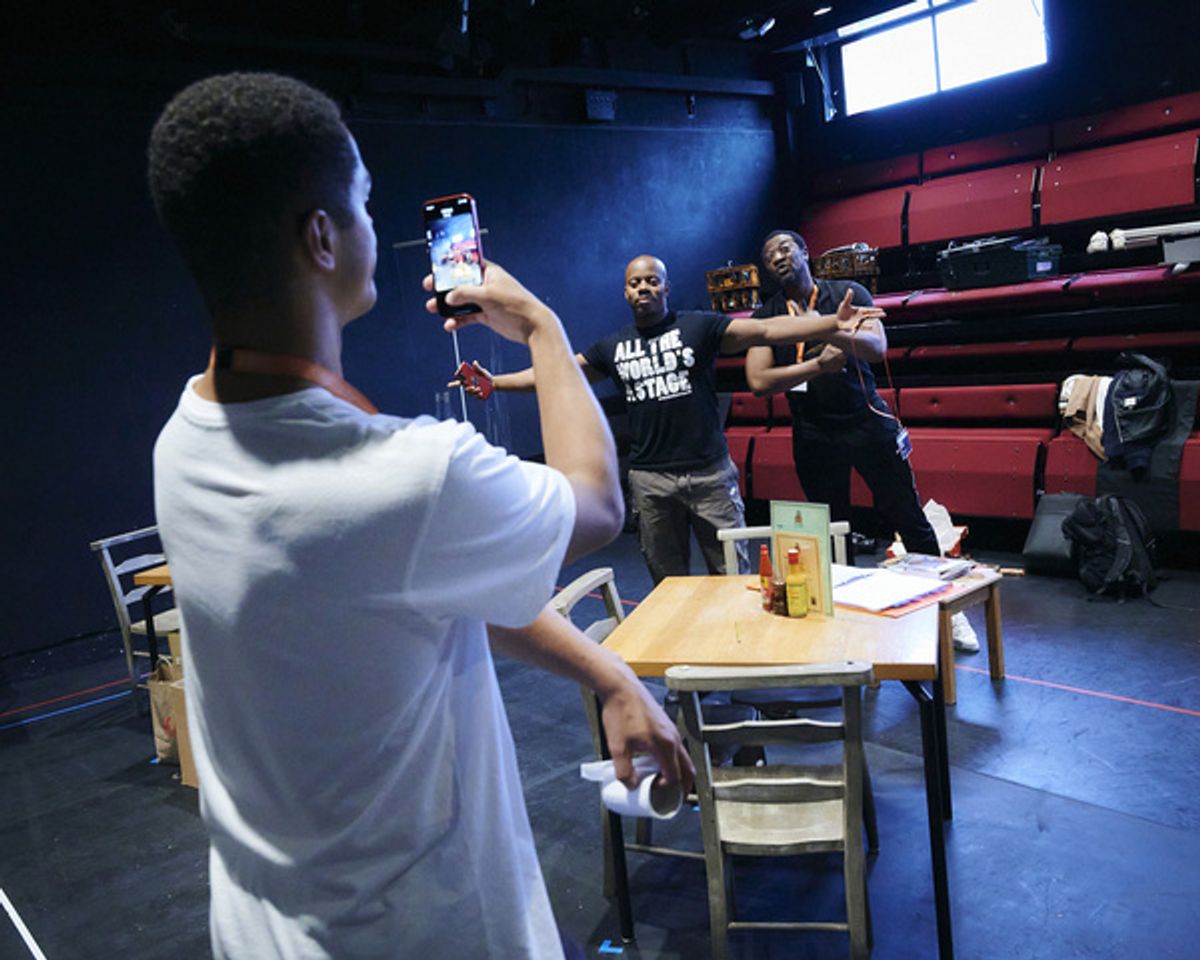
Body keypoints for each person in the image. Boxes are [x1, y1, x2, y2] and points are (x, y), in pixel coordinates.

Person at [147, 71, 693, 959]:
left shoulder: (184, 439)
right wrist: (544, 330)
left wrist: (611, 676)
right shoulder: (411, 476)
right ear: (322, 237)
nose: (377, 226)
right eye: (362, 203)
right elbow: (595, 502)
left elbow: (428, 585)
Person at [456, 254, 883, 584]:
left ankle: (745, 669)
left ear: (665, 287)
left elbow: (767, 332)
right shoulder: (613, 346)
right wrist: (497, 382)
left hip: (710, 475)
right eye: (634, 282)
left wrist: (831, 323)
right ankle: (689, 682)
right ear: (625, 292)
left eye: (651, 280)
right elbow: (556, 371)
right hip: (651, 482)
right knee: (669, 584)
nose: (643, 287)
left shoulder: (699, 327)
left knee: (732, 577)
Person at [745, 230, 978, 651]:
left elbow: (874, 346)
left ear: (804, 252)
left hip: (866, 421)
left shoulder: (846, 292)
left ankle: (949, 612)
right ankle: (846, 616)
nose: (778, 256)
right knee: (831, 529)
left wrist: (829, 328)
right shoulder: (766, 315)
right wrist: (819, 363)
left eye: (785, 248)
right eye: (769, 254)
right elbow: (760, 381)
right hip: (813, 431)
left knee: (907, 516)